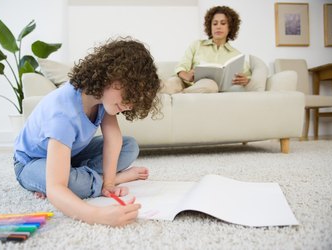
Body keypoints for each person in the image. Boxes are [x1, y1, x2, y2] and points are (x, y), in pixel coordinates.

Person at [13, 37, 161, 227]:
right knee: (68, 185)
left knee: (129, 146)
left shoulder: (101, 99)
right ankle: (99, 178)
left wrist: (108, 185)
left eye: (134, 99)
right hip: (31, 162)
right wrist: (97, 215)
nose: (130, 104)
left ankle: (89, 177)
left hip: (71, 153)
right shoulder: (63, 115)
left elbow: (113, 139)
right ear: (109, 76)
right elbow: (56, 188)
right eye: (129, 94)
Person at [161, 5, 251, 94]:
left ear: (230, 27)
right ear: (210, 27)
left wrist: (246, 81)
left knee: (210, 85)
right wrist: (187, 75)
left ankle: (179, 96)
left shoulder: (236, 55)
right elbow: (181, 66)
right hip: (183, 83)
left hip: (206, 87)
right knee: (172, 83)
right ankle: (159, 91)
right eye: (215, 23)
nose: (218, 27)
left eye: (223, 23)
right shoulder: (197, 45)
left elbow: (248, 77)